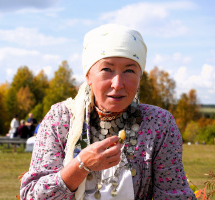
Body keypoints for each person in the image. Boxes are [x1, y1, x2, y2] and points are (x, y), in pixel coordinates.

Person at [20, 24, 195, 199]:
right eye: (106, 69)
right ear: (88, 76)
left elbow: (174, 195)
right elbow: (32, 195)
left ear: (139, 77)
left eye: (129, 70)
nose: (117, 84)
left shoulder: (158, 123)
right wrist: (81, 165)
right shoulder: (61, 119)